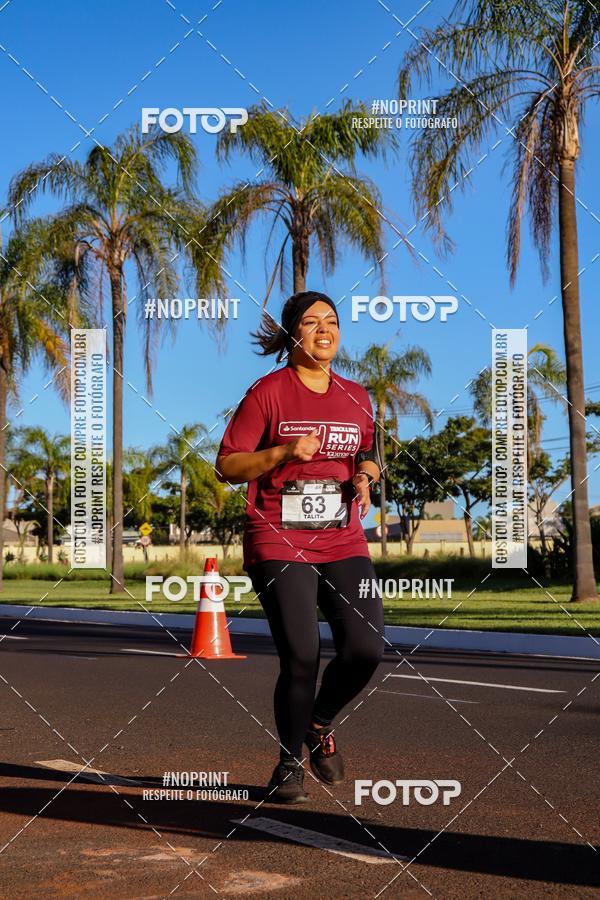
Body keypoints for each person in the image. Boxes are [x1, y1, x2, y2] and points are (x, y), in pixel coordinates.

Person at [215, 290, 385, 804]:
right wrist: (285, 451)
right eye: (311, 323)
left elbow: (369, 448)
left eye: (331, 322)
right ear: (293, 334)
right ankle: (289, 762)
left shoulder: (356, 394)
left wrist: (367, 476)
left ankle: (318, 724)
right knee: (302, 653)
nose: (324, 330)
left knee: (365, 648)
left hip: (342, 537)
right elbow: (227, 465)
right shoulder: (267, 393)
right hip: (278, 538)